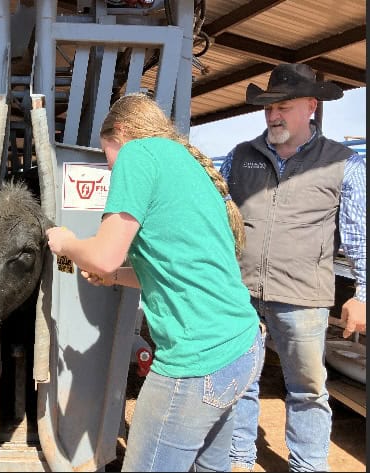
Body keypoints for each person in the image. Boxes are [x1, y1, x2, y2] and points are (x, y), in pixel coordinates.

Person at [46, 93, 264, 472]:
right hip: (241, 347)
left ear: (121, 132)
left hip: (197, 360)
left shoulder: (137, 155)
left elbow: (103, 254)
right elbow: (175, 270)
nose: (110, 166)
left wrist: (65, 242)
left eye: (107, 153)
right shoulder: (186, 162)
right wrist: (114, 277)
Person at [220, 63, 367, 472]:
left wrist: (362, 294)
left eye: (283, 106)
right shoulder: (240, 157)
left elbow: (360, 236)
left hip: (303, 299)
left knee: (306, 389)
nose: (273, 115)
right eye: (268, 108)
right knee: (241, 382)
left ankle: (307, 466)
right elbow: (217, 216)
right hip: (240, 293)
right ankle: (238, 459)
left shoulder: (344, 164)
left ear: (311, 106)